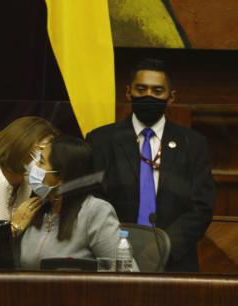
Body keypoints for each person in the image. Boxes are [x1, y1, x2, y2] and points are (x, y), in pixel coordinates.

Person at [86, 58, 214, 272]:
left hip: (174, 261)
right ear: (128, 93)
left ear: (171, 97)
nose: (148, 96)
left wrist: (160, 249)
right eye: (141, 89)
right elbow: (93, 199)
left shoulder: (193, 143)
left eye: (157, 91)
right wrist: (117, 245)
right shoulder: (101, 140)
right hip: (113, 257)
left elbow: (201, 207)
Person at [14, 135, 127, 270]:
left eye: (41, 162)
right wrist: (13, 231)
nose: (34, 166)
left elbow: (123, 271)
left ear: (61, 177)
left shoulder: (96, 211)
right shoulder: (35, 208)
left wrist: (88, 275)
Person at [0, 116, 60, 220]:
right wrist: (15, 228)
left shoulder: (25, 184)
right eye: (41, 149)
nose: (43, 156)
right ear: (21, 142)